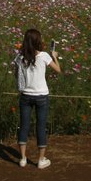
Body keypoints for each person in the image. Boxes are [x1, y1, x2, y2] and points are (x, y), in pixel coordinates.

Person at [13, 28, 61, 168]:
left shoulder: (19, 57)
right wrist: (55, 56)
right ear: (38, 41)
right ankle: (41, 160)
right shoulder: (45, 56)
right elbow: (58, 70)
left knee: (24, 126)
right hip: (41, 96)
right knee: (41, 126)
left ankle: (22, 158)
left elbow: (17, 76)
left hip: (25, 96)